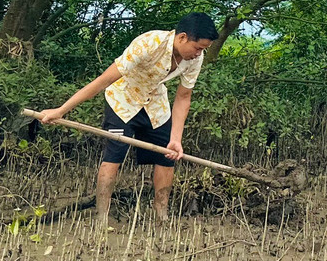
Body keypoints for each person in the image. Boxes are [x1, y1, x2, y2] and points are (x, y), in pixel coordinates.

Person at [37, 13, 220, 226]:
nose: (199, 54)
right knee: (114, 156)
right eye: (198, 48)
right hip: (123, 101)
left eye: (203, 50)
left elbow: (183, 97)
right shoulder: (148, 43)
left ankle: (161, 215)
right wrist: (61, 110)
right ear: (182, 37)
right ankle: (102, 217)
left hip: (155, 105)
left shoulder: (194, 59)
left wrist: (176, 139)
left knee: (167, 157)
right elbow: (104, 80)